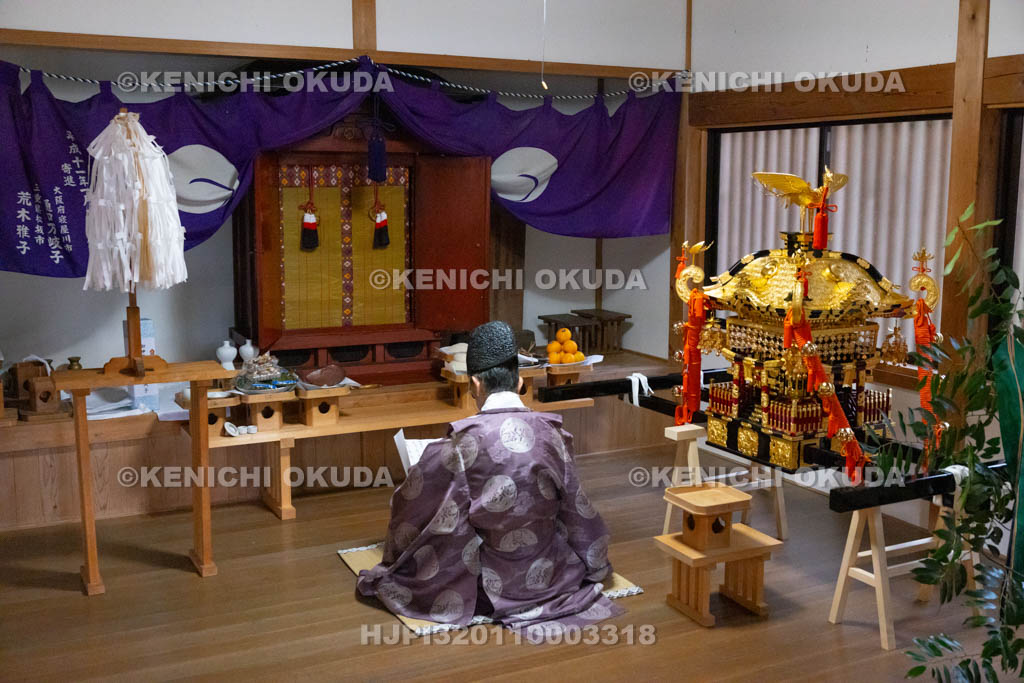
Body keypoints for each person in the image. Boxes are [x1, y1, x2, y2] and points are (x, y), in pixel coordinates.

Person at [357, 321, 622, 637]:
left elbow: (410, 507)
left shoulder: (461, 445)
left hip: (486, 585)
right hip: (551, 576)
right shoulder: (554, 434)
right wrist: (595, 564)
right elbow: (578, 509)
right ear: (520, 381)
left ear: (475, 384)